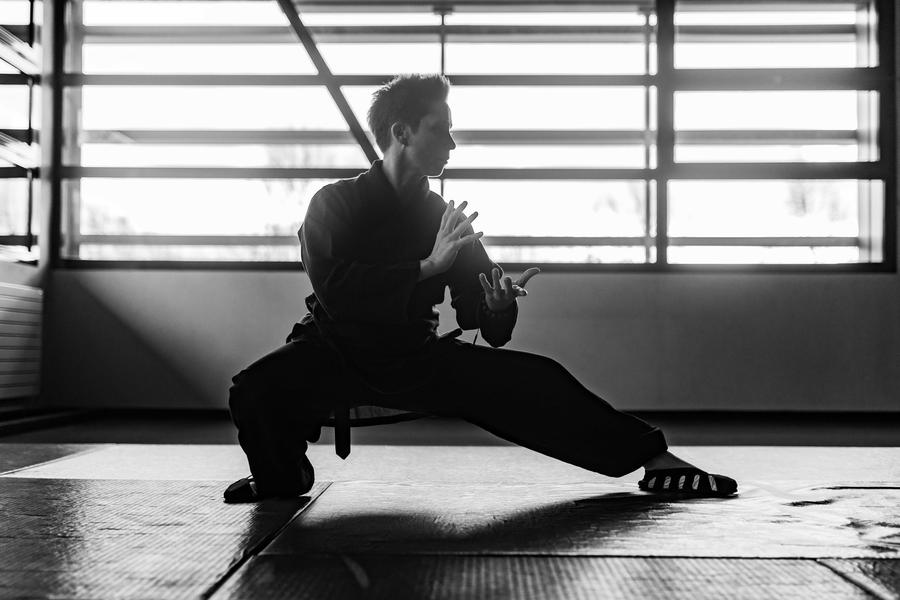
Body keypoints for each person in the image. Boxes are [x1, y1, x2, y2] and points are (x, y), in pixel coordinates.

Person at [224, 73, 737, 503]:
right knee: (253, 389)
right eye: (440, 130)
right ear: (401, 132)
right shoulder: (333, 203)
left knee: (539, 379)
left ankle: (657, 460)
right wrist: (427, 266)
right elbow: (337, 289)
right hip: (333, 351)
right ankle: (283, 476)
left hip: (414, 357)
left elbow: (484, 322)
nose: (451, 144)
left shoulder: (445, 218)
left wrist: (496, 305)